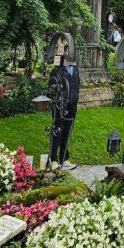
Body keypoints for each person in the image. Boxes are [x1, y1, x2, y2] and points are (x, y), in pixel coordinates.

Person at [48, 41, 80, 171]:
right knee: (57, 131)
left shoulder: (75, 68)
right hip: (60, 105)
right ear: (65, 53)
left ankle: (64, 159)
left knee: (67, 132)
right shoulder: (57, 70)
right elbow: (52, 87)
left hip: (72, 105)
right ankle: (53, 160)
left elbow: (77, 85)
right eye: (69, 51)